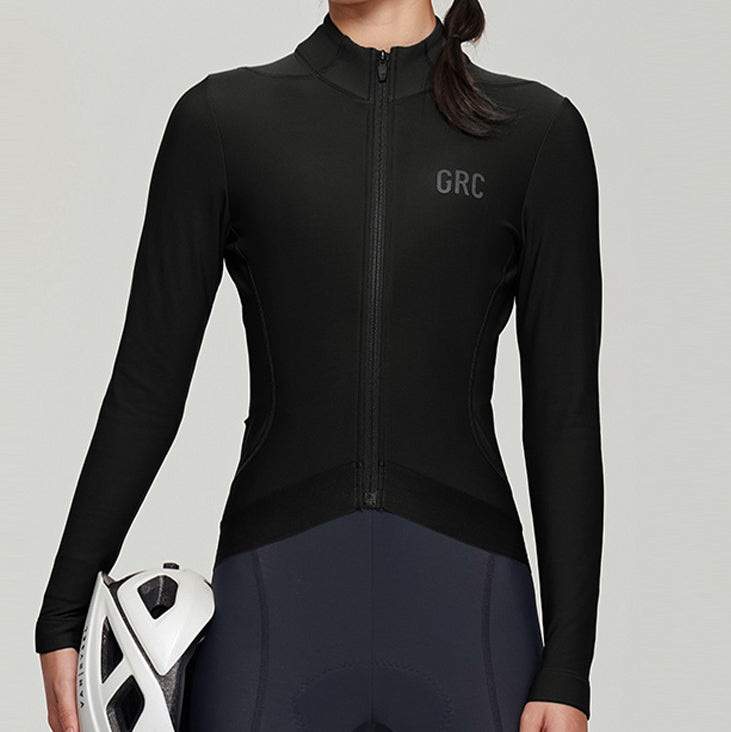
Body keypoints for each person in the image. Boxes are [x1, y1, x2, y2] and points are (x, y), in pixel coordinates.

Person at [36, 1, 605, 730]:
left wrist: (568, 667)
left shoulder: (535, 133)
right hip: (274, 612)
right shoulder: (223, 122)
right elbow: (147, 387)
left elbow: (562, 417)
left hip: (469, 613)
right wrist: (63, 612)